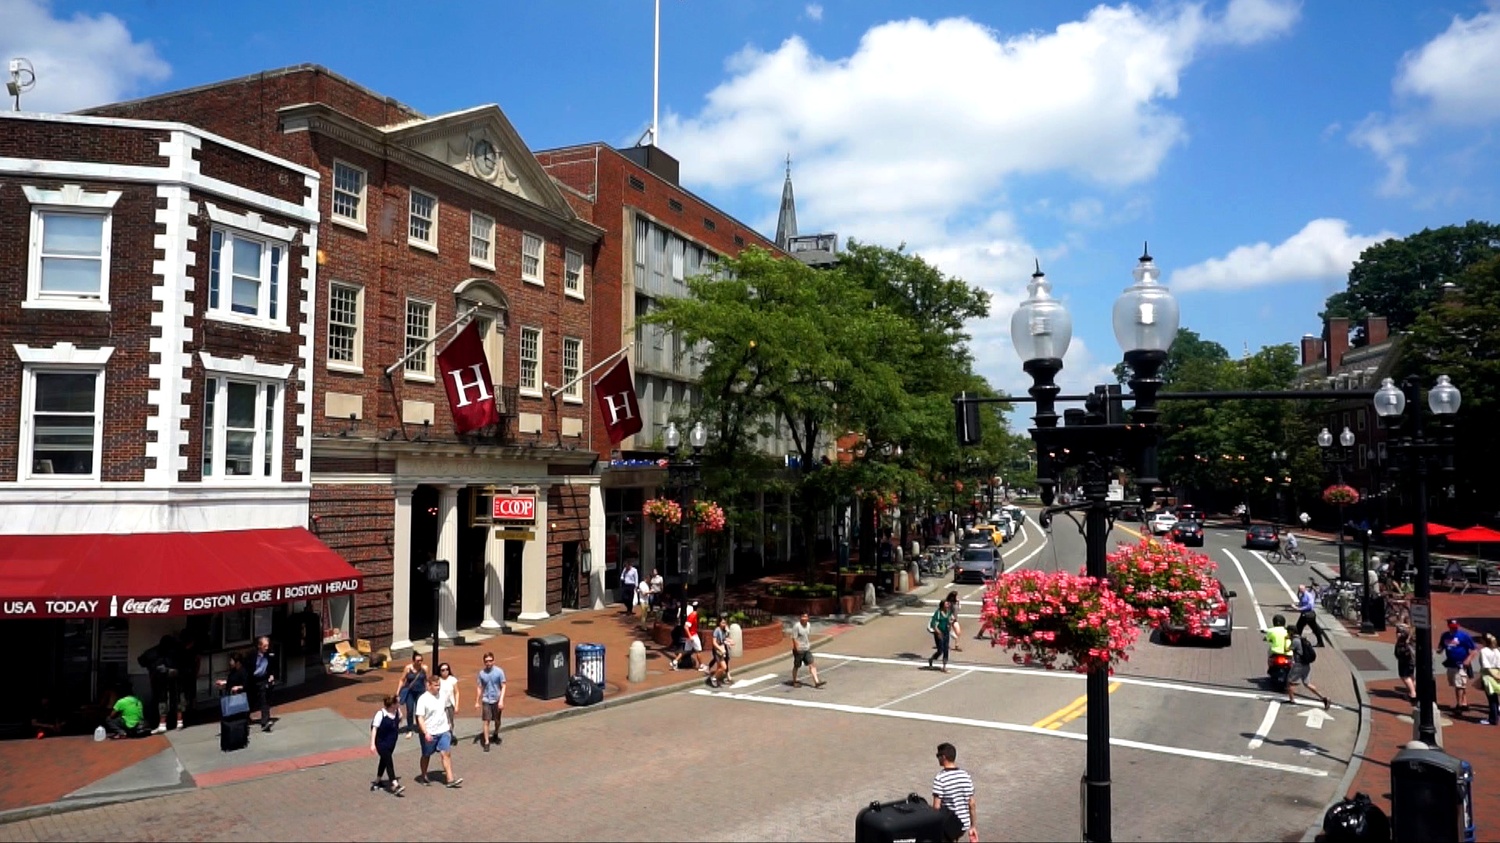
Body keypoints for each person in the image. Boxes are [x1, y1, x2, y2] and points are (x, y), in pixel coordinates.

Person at [415, 676, 461, 788]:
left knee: (446, 753)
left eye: (439, 685)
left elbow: (445, 709)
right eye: (436, 685)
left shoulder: (442, 695)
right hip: (430, 732)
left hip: (443, 730)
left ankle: (450, 779)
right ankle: (424, 775)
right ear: (429, 685)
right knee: (426, 755)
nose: (438, 687)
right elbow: (420, 717)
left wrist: (449, 723)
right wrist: (425, 732)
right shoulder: (423, 699)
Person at [931, 742, 977, 843]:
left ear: (943, 757)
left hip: (949, 824)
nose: (937, 758)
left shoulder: (940, 778)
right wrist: (973, 826)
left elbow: (936, 807)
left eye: (938, 756)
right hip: (964, 824)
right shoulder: (965, 775)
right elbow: (972, 804)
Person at [1438, 618, 1478, 714]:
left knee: (1459, 684)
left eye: (1455, 627)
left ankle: (1459, 705)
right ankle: (1464, 703)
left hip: (1460, 664)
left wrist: (1468, 660)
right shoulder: (1445, 635)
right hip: (1450, 663)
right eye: (1452, 627)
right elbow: (1441, 646)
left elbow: (1474, 650)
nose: (1454, 629)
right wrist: (1440, 650)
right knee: (1458, 684)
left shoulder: (1464, 636)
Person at [1287, 626, 1331, 711]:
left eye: (1288, 632)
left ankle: (1291, 700)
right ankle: (1324, 698)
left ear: (1291, 632)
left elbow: (1287, 649)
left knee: (1290, 682)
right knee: (1307, 684)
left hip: (1298, 665)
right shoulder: (1302, 639)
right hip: (1306, 665)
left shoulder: (1295, 641)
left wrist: (1288, 640)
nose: (1287, 633)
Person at [369, 695, 405, 796]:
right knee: (389, 762)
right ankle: (395, 784)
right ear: (392, 704)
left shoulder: (396, 712)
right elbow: (374, 729)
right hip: (381, 743)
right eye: (397, 703)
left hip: (391, 743)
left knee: (384, 761)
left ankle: (377, 781)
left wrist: (399, 713)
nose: (399, 704)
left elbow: (400, 719)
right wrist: (372, 744)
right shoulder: (381, 714)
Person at [474, 652, 506, 752]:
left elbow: (503, 686)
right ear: (484, 662)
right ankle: (487, 742)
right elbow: (479, 687)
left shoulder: (499, 672)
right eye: (486, 661)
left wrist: (501, 700)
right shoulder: (482, 673)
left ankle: (496, 733)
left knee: (497, 721)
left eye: (490, 661)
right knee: (486, 721)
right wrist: (477, 701)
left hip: (496, 699)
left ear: (493, 661)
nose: (488, 663)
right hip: (486, 700)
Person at [175, 629, 202, 730]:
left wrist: (196, 672)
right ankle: (184, 719)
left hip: (186, 675)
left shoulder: (181, 649)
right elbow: (198, 660)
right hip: (185, 675)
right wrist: (196, 672)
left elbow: (198, 660)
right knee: (184, 697)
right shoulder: (181, 650)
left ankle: (186, 718)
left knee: (188, 697)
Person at [248, 635, 276, 732]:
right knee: (251, 700)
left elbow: (272, 666)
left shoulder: (270, 654)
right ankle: (245, 717)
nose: (267, 648)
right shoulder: (252, 655)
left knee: (264, 700)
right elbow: (247, 668)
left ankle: (265, 722)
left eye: (267, 645)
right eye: (264, 646)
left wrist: (271, 675)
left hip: (263, 679)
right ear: (259, 646)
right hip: (253, 679)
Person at [790, 612, 824, 688]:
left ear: (808, 618)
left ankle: (817, 682)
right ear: (800, 617)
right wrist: (797, 648)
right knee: (797, 666)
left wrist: (808, 645)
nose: (804, 618)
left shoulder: (808, 625)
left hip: (806, 649)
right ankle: (794, 681)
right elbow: (794, 638)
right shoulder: (797, 626)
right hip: (799, 650)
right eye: (803, 616)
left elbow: (806, 636)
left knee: (812, 664)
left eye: (806, 617)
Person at [397, 653, 428, 736]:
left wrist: (428, 691)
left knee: (419, 710)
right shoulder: (408, 668)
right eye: (418, 661)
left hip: (420, 692)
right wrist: (398, 692)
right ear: (413, 661)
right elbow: (402, 680)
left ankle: (420, 726)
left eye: (421, 660)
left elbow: (426, 680)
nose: (420, 662)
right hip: (410, 692)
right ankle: (410, 728)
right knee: (410, 710)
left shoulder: (424, 668)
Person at [1477, 632, 1500, 726]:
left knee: (1492, 699)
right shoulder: (1496, 650)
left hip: (1488, 676)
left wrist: (1493, 675)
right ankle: (1495, 716)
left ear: (1483, 641)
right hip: (1497, 673)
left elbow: (1486, 666)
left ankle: (1493, 719)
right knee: (1495, 697)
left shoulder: (1483, 651)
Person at [1265, 614, 1293, 692]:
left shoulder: (1271, 630)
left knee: (1269, 652)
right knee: (1291, 661)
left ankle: (1270, 666)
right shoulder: (1288, 631)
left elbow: (1267, 638)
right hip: (1288, 653)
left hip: (1276, 652)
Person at [1394, 625, 1417, 704]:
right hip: (1410, 661)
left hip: (1406, 661)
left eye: (1398, 632)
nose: (1397, 634)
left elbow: (1401, 652)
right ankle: (1413, 690)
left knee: (1405, 676)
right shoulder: (1408, 641)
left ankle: (1413, 694)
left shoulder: (1403, 643)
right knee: (1410, 675)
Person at [929, 597, 953, 673]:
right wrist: (938, 632)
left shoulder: (949, 612)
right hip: (939, 633)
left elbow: (949, 621)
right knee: (940, 650)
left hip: (946, 632)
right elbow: (933, 624)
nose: (948, 605)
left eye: (948, 604)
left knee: (946, 649)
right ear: (942, 605)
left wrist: (950, 623)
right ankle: (932, 658)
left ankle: (944, 666)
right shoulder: (938, 613)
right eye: (946, 604)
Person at [436, 662, 459, 739]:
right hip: (440, 705)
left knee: (451, 721)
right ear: (440, 671)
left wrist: (456, 705)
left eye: (447, 669)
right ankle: (445, 737)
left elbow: (457, 692)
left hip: (450, 704)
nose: (445, 671)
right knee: (444, 721)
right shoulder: (438, 680)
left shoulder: (452, 679)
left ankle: (450, 735)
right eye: (443, 670)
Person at [707, 617, 732, 688]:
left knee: (719, 667)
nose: (724, 624)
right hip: (717, 651)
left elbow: (724, 640)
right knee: (724, 667)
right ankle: (714, 678)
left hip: (721, 650)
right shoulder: (717, 630)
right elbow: (714, 642)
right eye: (722, 623)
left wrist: (729, 642)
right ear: (719, 623)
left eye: (725, 622)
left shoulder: (724, 630)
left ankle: (717, 679)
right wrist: (720, 648)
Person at [682, 601, 704, 672]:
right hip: (693, 635)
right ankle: (701, 666)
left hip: (691, 635)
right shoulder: (693, 615)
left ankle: (675, 662)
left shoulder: (694, 614)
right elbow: (686, 627)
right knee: (698, 650)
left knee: (687, 651)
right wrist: (690, 636)